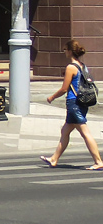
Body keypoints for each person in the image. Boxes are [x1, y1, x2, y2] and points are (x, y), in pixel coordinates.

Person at [41, 39, 103, 170]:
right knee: (65, 131)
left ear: (70, 51)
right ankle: (54, 159)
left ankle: (98, 161)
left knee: (85, 133)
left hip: (74, 103)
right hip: (82, 102)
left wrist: (51, 97)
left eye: (65, 49)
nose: (64, 52)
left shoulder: (71, 67)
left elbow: (64, 88)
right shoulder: (83, 66)